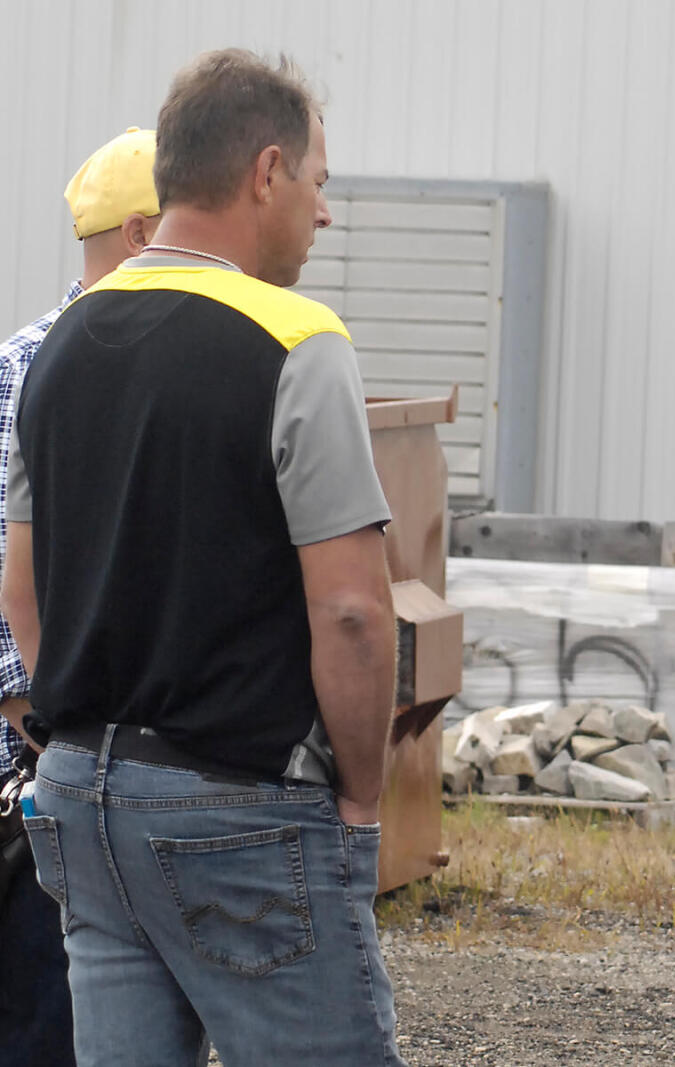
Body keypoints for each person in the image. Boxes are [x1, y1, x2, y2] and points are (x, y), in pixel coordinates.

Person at [0, 50, 404, 1066]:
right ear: (265, 170)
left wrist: (62, 732)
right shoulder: (297, 339)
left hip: (86, 796)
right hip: (241, 796)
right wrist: (361, 791)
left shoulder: (59, 345)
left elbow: (21, 581)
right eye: (318, 183)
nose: (323, 214)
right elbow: (353, 609)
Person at [0, 125, 162, 1067]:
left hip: (119, 756)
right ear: (145, 233)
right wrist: (30, 707)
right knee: (45, 1020)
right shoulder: (29, 367)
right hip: (41, 764)